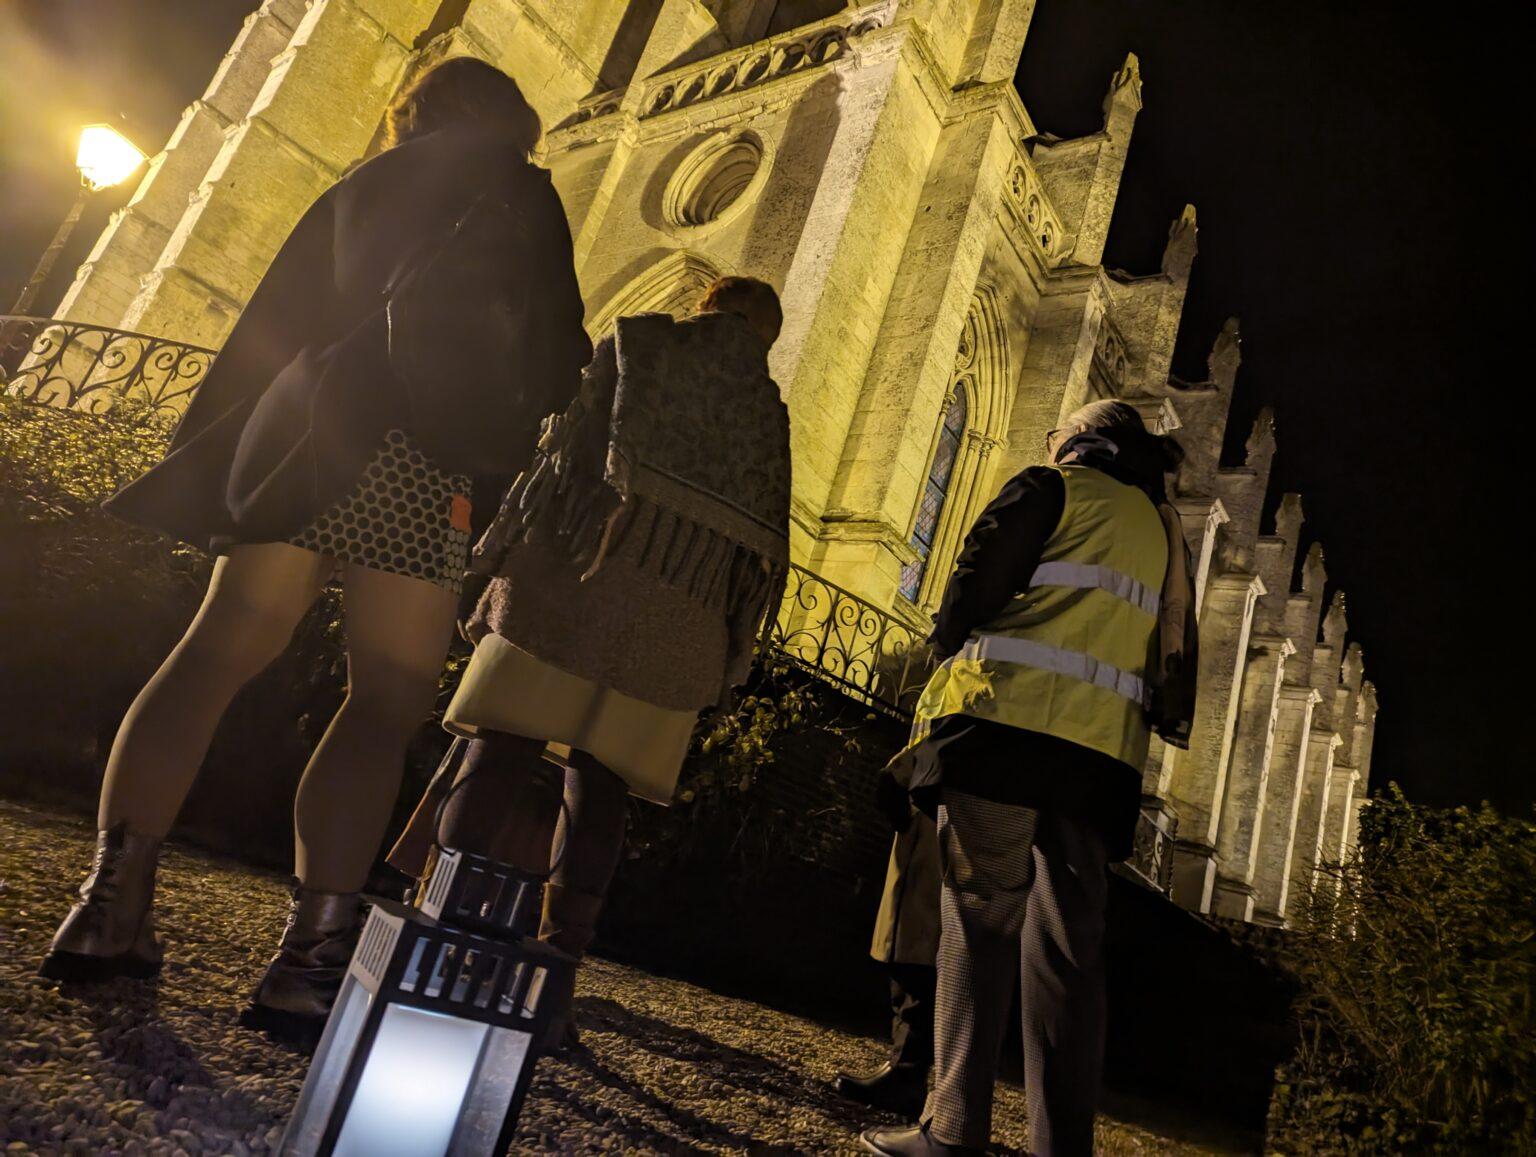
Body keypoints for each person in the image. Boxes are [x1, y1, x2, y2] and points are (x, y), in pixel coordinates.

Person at [39, 58, 592, 1048]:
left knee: (214, 650)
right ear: (507, 118)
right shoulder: (518, 186)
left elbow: (275, 317)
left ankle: (106, 904)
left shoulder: (364, 179)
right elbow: (554, 353)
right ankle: (307, 959)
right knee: (385, 694)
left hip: (299, 425)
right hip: (418, 449)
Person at [386, 276, 793, 1049]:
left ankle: (432, 935)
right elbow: (761, 552)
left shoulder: (641, 342)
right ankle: (552, 983)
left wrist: (497, 558)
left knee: (498, 751)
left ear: (703, 306)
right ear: (766, 335)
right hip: (678, 628)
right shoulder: (768, 413)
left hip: (572, 586)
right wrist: (730, 653)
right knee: (600, 791)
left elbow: (560, 453)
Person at [858, 399, 1199, 1157]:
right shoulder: (1160, 528)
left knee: (980, 923)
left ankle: (953, 1132)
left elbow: (970, 591)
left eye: (1059, 432)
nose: (1052, 442)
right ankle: (1061, 1148)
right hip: (1101, 765)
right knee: (1069, 957)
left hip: (1007, 740)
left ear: (1081, 439)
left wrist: (944, 648)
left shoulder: (1052, 488)